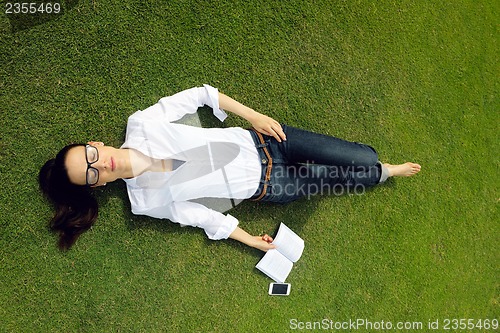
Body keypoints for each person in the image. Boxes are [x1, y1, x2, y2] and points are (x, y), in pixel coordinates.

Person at [39, 85, 421, 251]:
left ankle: (374, 163)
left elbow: (200, 96)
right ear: (97, 185)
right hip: (272, 186)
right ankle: (386, 172)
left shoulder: (141, 123)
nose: (99, 165)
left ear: (95, 145)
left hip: (268, 141)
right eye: (91, 174)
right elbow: (197, 217)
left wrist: (254, 116)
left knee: (357, 156)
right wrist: (250, 239)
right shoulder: (144, 201)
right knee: (340, 178)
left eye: (90, 157)